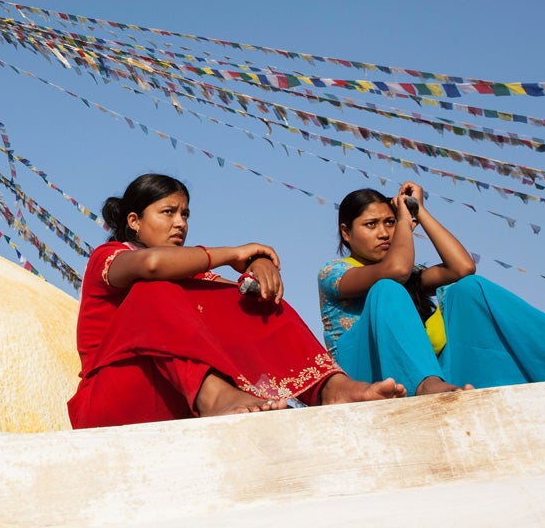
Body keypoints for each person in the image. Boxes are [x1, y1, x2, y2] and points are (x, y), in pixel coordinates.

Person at [67, 173, 405, 429]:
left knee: (256, 303)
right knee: (153, 288)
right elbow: (152, 265)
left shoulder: (189, 275)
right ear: (134, 222)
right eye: (168, 212)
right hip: (112, 397)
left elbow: (228, 305)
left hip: (173, 399)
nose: (180, 223)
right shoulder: (109, 257)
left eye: (185, 214)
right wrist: (233, 254)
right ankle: (216, 396)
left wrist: (257, 268)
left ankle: (328, 388)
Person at [319, 182, 545, 394]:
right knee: (387, 289)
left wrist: (419, 212)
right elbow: (395, 271)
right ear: (346, 233)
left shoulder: (408, 272)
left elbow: (462, 267)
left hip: (436, 375)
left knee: (469, 289)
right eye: (371, 225)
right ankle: (424, 384)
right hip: (368, 379)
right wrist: (404, 225)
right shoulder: (335, 273)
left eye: (390, 223)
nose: (384, 233)